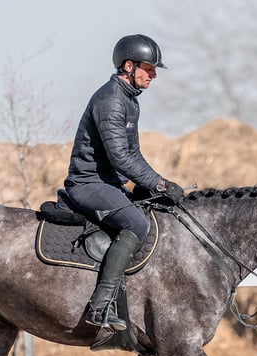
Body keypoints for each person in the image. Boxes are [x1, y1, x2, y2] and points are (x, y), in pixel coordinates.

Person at [62, 34, 184, 332]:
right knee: (137, 225)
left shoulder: (129, 101)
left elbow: (134, 154)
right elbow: (120, 157)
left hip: (109, 183)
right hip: (88, 183)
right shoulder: (111, 101)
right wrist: (158, 184)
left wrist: (158, 184)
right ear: (128, 66)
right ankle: (100, 305)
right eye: (149, 68)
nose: (153, 75)